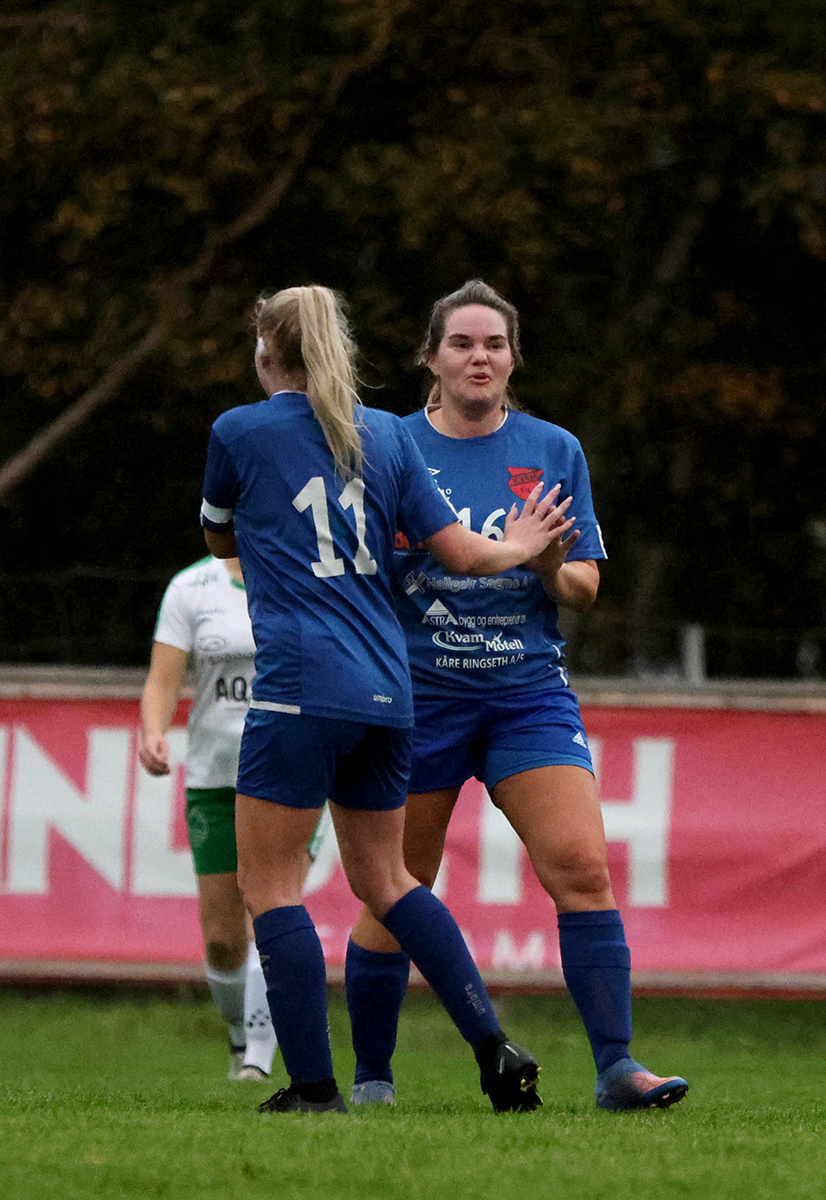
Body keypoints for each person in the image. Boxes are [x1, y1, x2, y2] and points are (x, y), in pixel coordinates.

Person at [199, 283, 575, 1114]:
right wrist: (521, 542)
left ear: (268, 354)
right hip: (389, 691)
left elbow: (217, 535)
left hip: (299, 686)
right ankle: (494, 1045)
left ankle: (314, 1087)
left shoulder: (240, 429)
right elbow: (466, 556)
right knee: (391, 880)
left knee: (271, 888)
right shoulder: (386, 436)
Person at [340, 280, 688, 1112]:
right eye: (461, 343)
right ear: (430, 356)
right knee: (397, 885)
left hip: (525, 694)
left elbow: (583, 589)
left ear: (513, 358)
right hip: (415, 697)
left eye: (493, 344)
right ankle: (373, 1080)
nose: (479, 358)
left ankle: (616, 1070)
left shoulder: (554, 449)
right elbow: (355, 571)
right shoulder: (387, 447)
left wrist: (541, 562)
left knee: (582, 867)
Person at [139, 553, 276, 1081]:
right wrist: (154, 730)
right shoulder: (190, 586)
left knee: (268, 907)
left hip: (287, 772)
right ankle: (240, 1036)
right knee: (223, 938)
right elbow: (162, 679)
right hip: (214, 776)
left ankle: (260, 1059)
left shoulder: (304, 569)